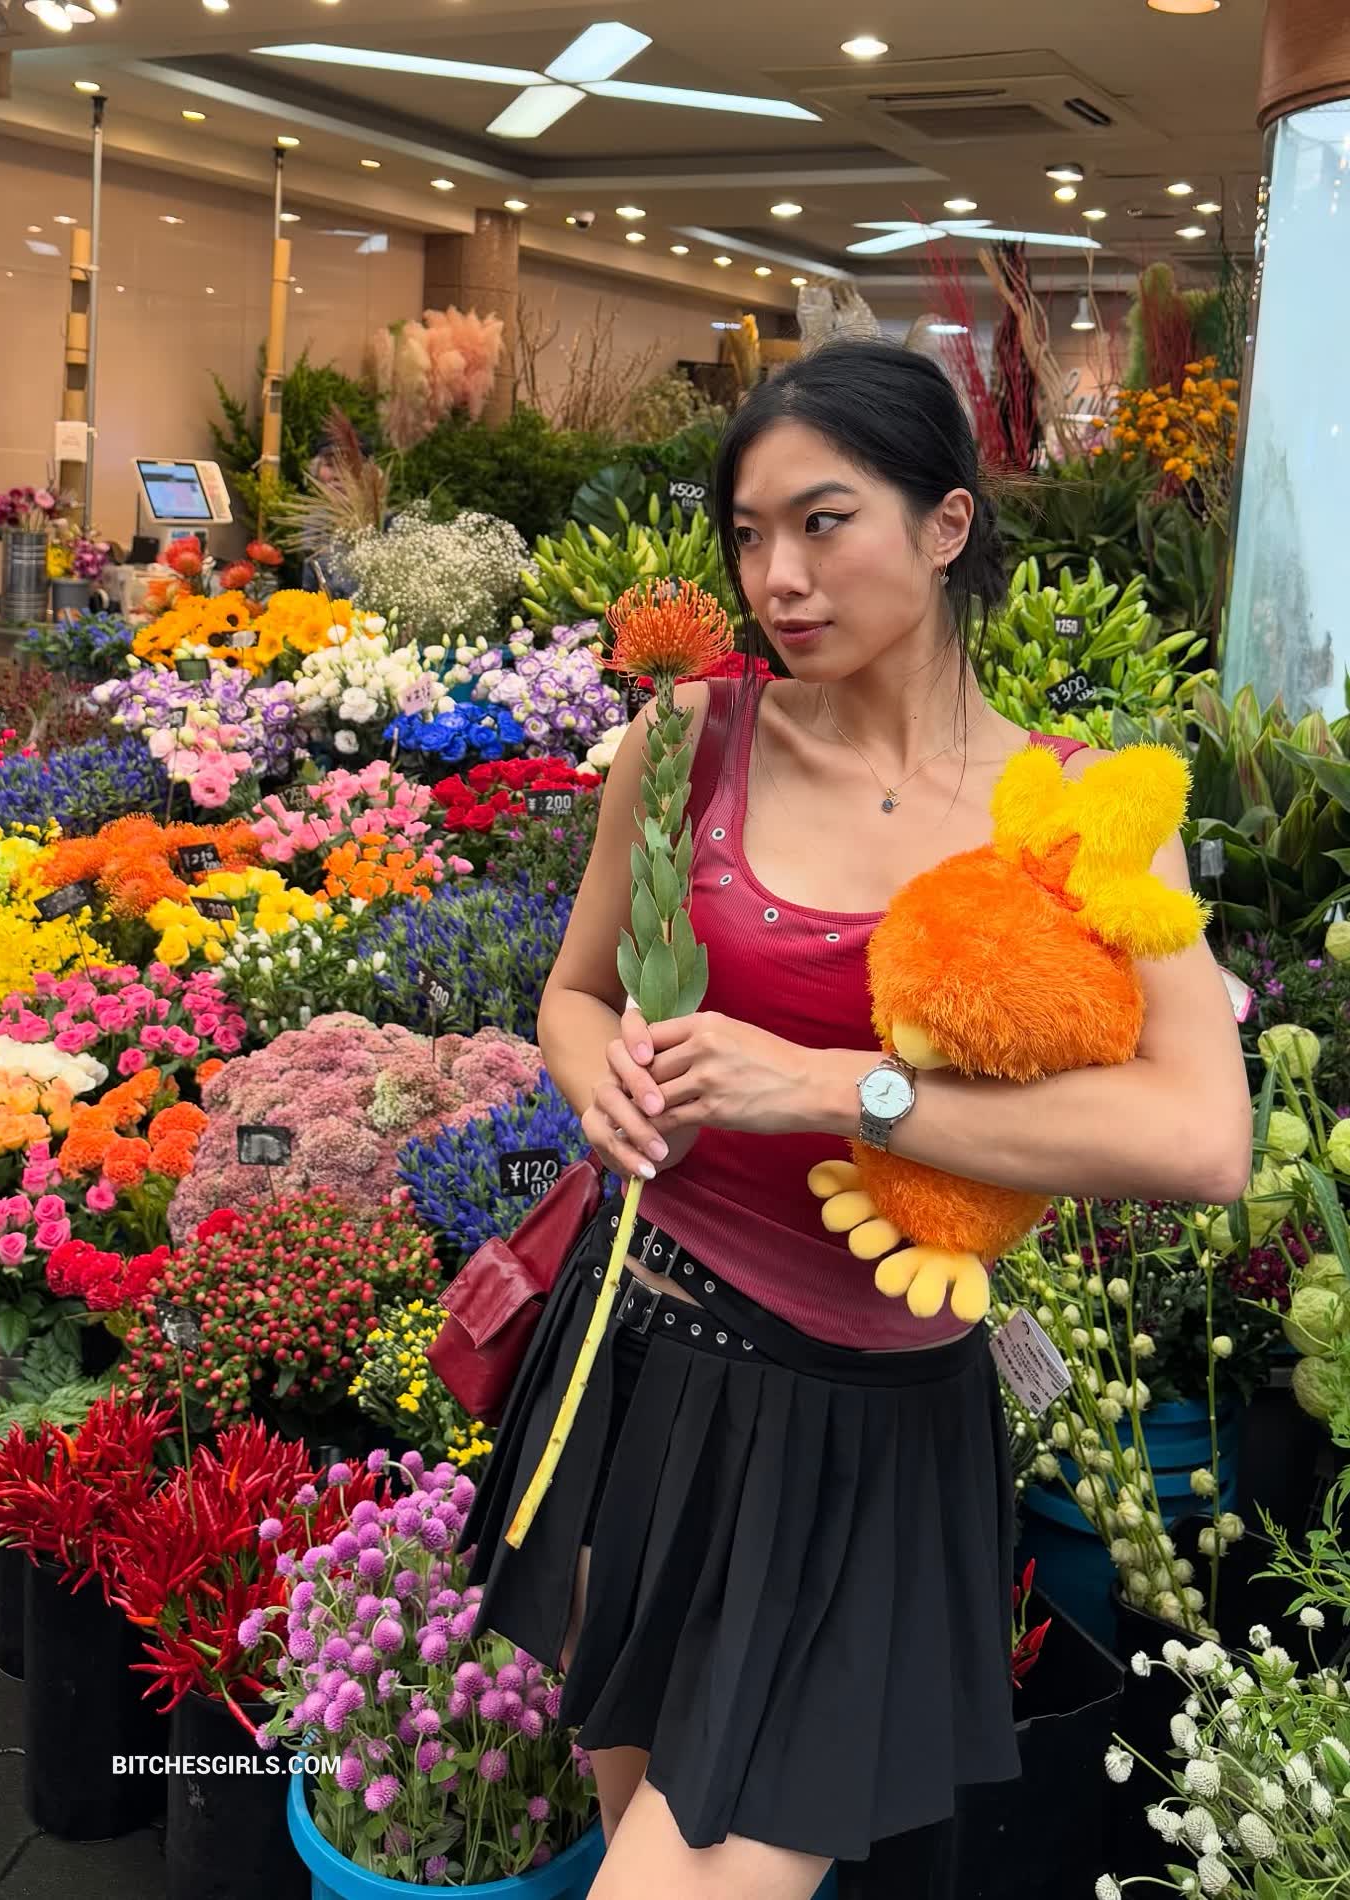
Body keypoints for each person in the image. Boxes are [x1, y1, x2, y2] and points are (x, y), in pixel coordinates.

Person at [464, 339, 1252, 1900]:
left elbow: (1198, 1140)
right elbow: (572, 993)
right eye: (748, 535)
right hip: (635, 1367)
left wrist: (835, 1087)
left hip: (860, 1428)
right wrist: (596, 1073)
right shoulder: (689, 740)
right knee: (633, 1819)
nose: (778, 577)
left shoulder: (1071, 816)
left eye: (822, 523)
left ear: (945, 524)